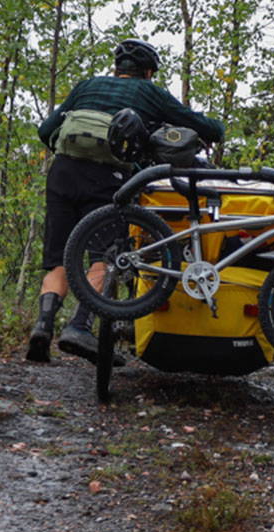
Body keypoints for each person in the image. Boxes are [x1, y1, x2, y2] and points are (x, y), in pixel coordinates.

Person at [28, 38, 224, 362]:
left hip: (62, 172)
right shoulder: (149, 92)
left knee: (58, 259)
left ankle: (43, 326)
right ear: (148, 72)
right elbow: (201, 125)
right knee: (104, 257)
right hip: (106, 178)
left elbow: (46, 129)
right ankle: (79, 327)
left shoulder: (87, 85)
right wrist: (216, 129)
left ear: (117, 68)